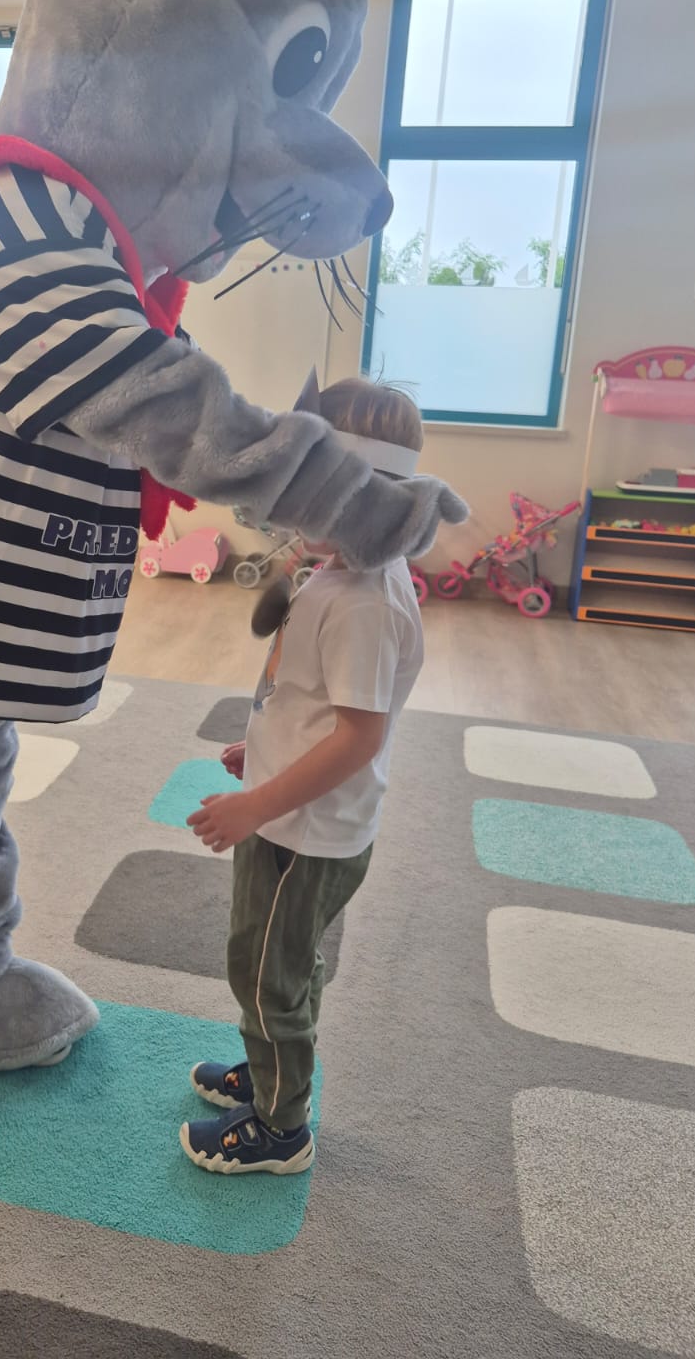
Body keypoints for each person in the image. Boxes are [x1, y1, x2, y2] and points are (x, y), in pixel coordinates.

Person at [181, 375, 431, 1176]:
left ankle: (280, 1125)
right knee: (273, 961)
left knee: (267, 974)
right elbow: (316, 704)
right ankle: (271, 1071)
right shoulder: (340, 572)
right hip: (295, 811)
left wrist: (256, 802)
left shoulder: (364, 601)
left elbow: (359, 737)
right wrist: (260, 750)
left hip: (305, 830)